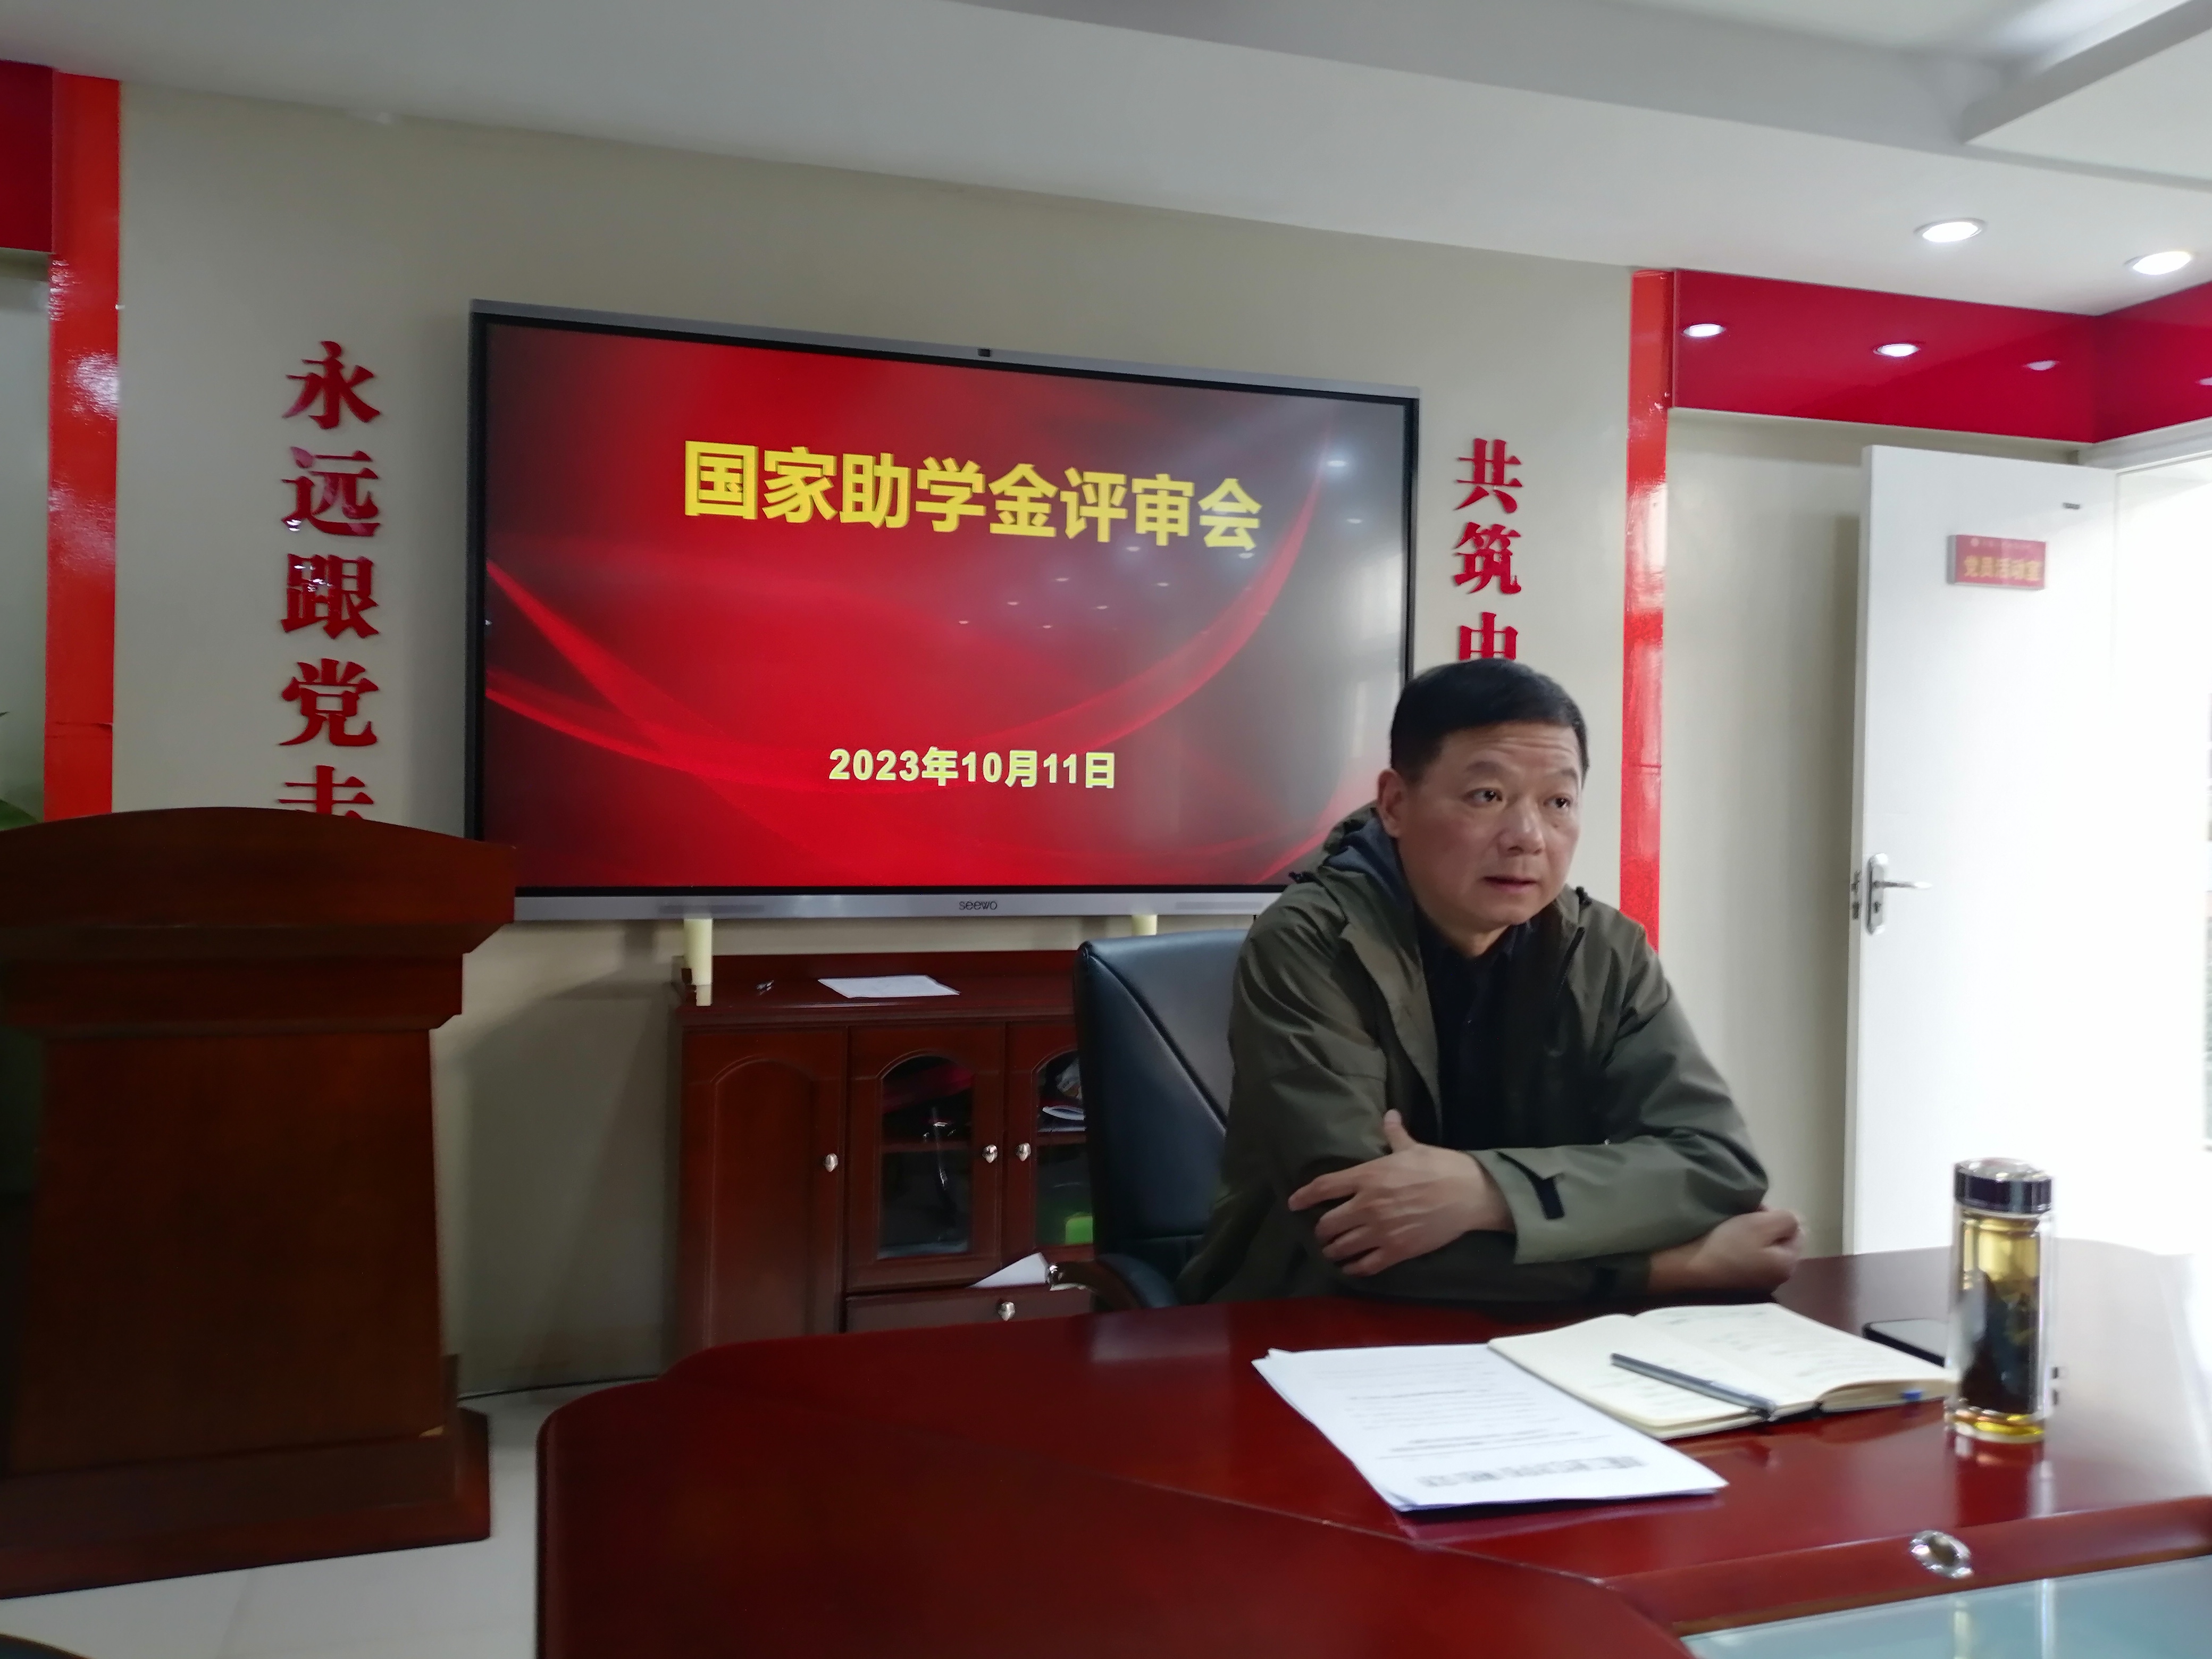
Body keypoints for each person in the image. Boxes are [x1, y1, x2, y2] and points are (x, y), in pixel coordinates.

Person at [1178, 659, 1802, 1304]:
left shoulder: (1604, 950)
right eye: (1487, 796)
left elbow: (1717, 1165)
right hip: (1302, 1320)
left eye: (1557, 803)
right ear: (1394, 804)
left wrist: (1487, 1191)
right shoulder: (1308, 943)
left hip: (1537, 1334)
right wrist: (1665, 1268)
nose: (1527, 838)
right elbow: (1356, 1231)